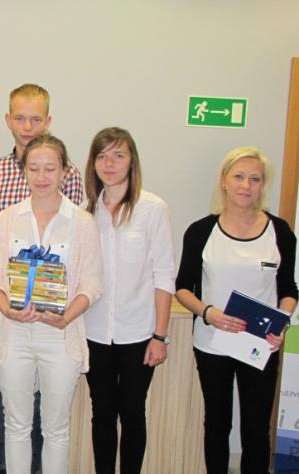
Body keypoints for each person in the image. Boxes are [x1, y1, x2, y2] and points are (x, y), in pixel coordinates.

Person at [0, 83, 83, 474]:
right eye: (20, 118)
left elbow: (77, 245)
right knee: (3, 387)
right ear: (8, 120)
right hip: (1, 299)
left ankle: (39, 465)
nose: (27, 126)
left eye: (36, 119)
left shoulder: (70, 175)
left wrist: (66, 306)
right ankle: (8, 464)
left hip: (54, 304)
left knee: (49, 397)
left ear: (48, 121)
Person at [175, 146, 298, 474]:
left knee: (256, 428)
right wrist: (208, 312)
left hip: (260, 343)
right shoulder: (201, 231)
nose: (246, 185)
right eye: (239, 176)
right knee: (217, 423)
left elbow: (289, 290)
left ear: (263, 185)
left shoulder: (280, 232)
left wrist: (282, 323)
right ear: (224, 181)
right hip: (212, 341)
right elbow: (183, 287)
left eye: (255, 179)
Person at [82, 127, 175, 474]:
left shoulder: (152, 209)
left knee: (133, 412)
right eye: (102, 156)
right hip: (94, 332)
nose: (109, 163)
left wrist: (160, 335)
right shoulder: (85, 212)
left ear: (132, 161)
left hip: (139, 333)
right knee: (102, 413)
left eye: (118, 155)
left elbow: (164, 274)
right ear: (93, 163)